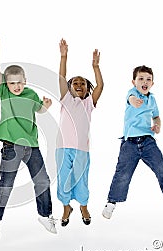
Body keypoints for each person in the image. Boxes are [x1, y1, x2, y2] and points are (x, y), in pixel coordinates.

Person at [0, 32, 56, 238]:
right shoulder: (5, 93)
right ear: (6, 85)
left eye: (19, 82)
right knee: (6, 183)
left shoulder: (31, 94)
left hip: (32, 146)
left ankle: (45, 215)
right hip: (11, 146)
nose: (16, 86)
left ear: (25, 80)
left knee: (42, 180)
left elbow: (39, 111)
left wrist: (46, 106)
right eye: (12, 83)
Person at [102, 65, 163, 219]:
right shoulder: (132, 93)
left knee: (162, 167)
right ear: (134, 82)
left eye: (148, 79)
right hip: (130, 143)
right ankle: (111, 202)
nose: (144, 82)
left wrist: (157, 125)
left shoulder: (152, 99)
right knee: (123, 174)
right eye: (141, 79)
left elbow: (156, 116)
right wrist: (135, 102)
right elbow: (131, 100)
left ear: (152, 84)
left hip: (148, 141)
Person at [56, 39, 103, 227]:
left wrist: (96, 67)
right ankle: (66, 206)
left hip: (81, 149)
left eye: (82, 83)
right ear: (69, 88)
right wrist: (63, 56)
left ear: (86, 89)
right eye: (75, 82)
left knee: (81, 178)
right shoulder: (65, 100)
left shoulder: (88, 103)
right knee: (63, 177)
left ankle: (83, 205)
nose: (78, 84)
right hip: (62, 148)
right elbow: (61, 77)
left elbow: (100, 86)